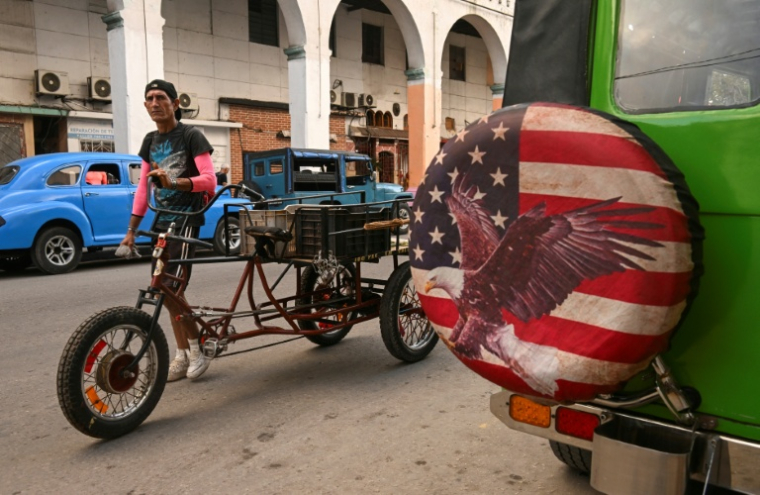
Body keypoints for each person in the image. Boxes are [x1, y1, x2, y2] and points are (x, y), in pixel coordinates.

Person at [119, 79, 217, 382]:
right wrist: (131, 230)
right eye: (149, 98)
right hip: (161, 221)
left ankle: (197, 348)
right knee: (162, 287)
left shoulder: (191, 136)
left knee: (173, 288)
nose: (154, 103)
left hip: (187, 219)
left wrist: (175, 183)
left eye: (160, 97)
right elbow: (143, 188)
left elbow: (210, 181)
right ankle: (183, 353)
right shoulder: (150, 141)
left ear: (175, 104)